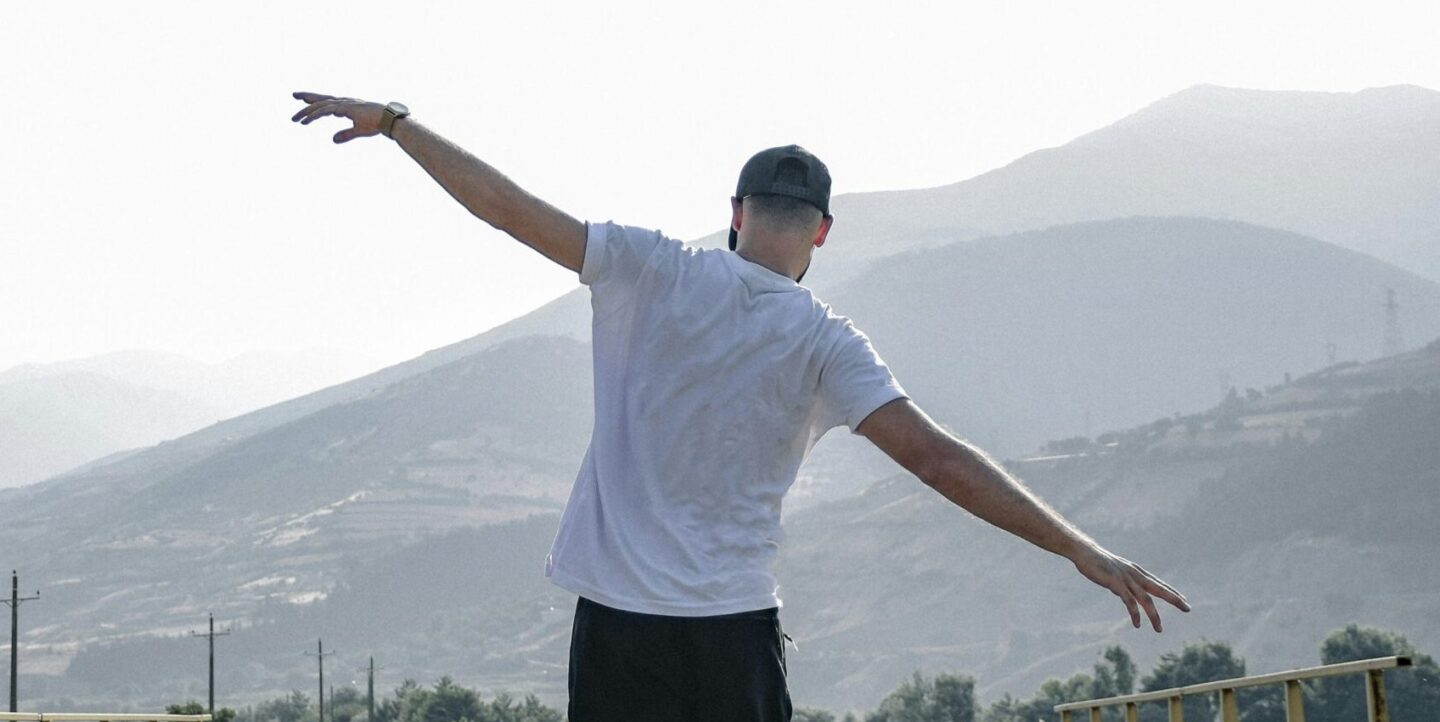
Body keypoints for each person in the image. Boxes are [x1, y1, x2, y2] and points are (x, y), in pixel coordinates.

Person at [291, 92, 1190, 722]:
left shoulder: (650, 270)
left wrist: (400, 125)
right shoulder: (829, 342)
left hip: (620, 628)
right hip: (734, 631)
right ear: (823, 231)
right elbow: (939, 460)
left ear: (736, 212)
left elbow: (509, 211)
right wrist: (1079, 546)